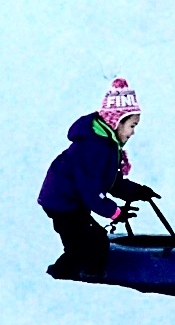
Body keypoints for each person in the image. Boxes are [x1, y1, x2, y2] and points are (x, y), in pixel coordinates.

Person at [38, 77, 159, 281]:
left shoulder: (107, 146)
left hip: (72, 200)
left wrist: (137, 191)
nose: (133, 132)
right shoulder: (94, 149)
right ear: (117, 122)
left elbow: (111, 182)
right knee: (92, 244)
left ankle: (63, 279)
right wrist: (115, 213)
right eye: (132, 125)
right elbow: (91, 192)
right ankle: (87, 282)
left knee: (81, 243)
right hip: (62, 202)